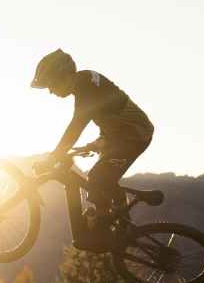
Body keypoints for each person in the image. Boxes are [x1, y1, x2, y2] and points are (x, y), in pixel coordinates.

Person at [29, 49, 154, 228]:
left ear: (63, 76)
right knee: (104, 180)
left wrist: (54, 157)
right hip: (122, 134)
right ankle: (123, 226)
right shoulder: (86, 82)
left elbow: (77, 125)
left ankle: (106, 227)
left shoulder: (86, 86)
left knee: (97, 178)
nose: (50, 91)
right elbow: (108, 113)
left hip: (135, 135)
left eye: (51, 85)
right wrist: (98, 142)